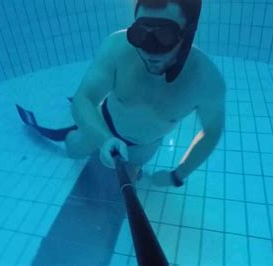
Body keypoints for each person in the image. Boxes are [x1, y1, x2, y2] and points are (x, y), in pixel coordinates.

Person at [65, 0, 225, 187]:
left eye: (164, 36)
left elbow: (212, 132)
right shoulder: (118, 47)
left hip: (145, 147)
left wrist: (177, 175)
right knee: (72, 150)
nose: (150, 50)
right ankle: (75, 129)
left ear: (188, 34)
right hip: (104, 126)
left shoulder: (207, 80)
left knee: (130, 177)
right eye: (140, 34)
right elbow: (83, 98)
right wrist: (104, 139)